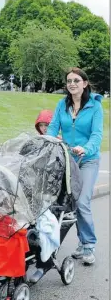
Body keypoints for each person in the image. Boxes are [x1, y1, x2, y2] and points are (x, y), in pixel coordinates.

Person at [46, 67, 103, 265]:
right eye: (69, 81)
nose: (72, 84)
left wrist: (86, 148)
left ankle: (88, 245)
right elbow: (54, 126)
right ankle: (48, 244)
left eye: (76, 80)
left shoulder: (95, 106)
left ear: (85, 83)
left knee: (82, 202)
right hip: (66, 159)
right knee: (58, 202)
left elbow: (97, 135)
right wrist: (46, 140)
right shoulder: (62, 104)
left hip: (87, 159)